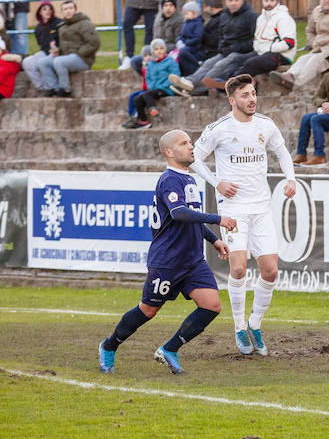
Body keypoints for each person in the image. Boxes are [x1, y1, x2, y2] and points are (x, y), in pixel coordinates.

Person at [96, 128, 237, 375]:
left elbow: (191, 217)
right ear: (169, 152)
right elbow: (179, 214)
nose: (191, 146)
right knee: (148, 310)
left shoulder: (188, 178)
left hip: (192, 259)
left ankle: (169, 349)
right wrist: (219, 218)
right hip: (168, 260)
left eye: (191, 142)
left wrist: (213, 240)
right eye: (184, 143)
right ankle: (109, 345)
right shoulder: (170, 180)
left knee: (211, 305)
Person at [190, 73, 297, 355]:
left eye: (253, 94)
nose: (252, 99)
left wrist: (291, 178)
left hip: (261, 207)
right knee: (238, 268)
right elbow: (195, 158)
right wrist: (217, 182)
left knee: (271, 271)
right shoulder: (219, 128)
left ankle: (255, 323)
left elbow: (282, 151)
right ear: (232, 100)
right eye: (245, 95)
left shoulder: (266, 124)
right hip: (233, 208)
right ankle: (239, 327)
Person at [173, 0, 258, 95]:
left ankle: (193, 90)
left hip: (242, 52)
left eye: (236, 0)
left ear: (242, 1)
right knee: (208, 63)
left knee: (220, 65)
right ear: (226, 2)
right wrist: (222, 47)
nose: (234, 3)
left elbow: (254, 39)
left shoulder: (251, 16)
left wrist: (236, 48)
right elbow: (221, 36)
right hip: (225, 51)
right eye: (230, 0)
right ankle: (190, 81)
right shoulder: (225, 16)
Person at [273, 0, 329, 92]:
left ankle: (295, 84)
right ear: (319, 0)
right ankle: (288, 75)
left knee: (315, 61)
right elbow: (309, 30)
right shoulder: (317, 11)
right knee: (303, 58)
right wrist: (314, 42)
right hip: (320, 47)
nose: (327, 1)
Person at [232, 0, 296, 80]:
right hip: (262, 52)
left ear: (277, 1)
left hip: (281, 55)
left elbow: (289, 43)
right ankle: (223, 83)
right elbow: (257, 39)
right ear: (262, 1)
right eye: (266, 0)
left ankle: (233, 83)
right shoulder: (261, 18)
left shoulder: (283, 18)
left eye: (272, 0)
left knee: (251, 63)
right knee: (237, 59)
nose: (269, 3)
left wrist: (268, 48)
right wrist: (259, 48)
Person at [292, 51, 329, 166]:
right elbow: (316, 97)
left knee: (315, 119)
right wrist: (325, 104)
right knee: (306, 117)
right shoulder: (328, 77)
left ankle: (320, 155)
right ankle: (301, 154)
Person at [41, 0, 100, 98]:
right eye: (65, 9)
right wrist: (57, 50)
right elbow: (64, 45)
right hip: (66, 57)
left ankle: (65, 89)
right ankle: (53, 88)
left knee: (59, 62)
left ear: (75, 10)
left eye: (70, 8)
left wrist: (79, 53)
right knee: (43, 62)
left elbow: (94, 43)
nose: (68, 11)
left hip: (83, 59)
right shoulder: (62, 26)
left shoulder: (85, 23)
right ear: (62, 12)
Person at [124, 39, 180, 129]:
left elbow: (175, 75)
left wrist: (163, 86)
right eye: (156, 49)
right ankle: (143, 121)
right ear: (153, 51)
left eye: (161, 48)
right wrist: (151, 86)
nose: (159, 51)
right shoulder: (151, 64)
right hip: (153, 89)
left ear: (165, 49)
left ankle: (152, 109)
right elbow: (148, 77)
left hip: (166, 89)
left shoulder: (170, 62)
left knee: (146, 94)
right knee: (137, 99)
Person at [19, 0, 61, 93]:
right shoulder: (38, 27)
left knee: (43, 62)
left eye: (50, 9)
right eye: (44, 9)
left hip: (58, 52)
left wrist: (57, 49)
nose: (48, 11)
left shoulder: (58, 23)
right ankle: (42, 87)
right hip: (44, 52)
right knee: (27, 62)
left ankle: (52, 87)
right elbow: (40, 43)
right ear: (40, 12)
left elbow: (63, 40)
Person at [173, 0, 207, 75]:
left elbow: (197, 37)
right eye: (184, 14)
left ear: (194, 13)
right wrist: (179, 40)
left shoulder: (198, 24)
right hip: (185, 45)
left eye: (187, 14)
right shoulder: (186, 23)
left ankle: (196, 65)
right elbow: (181, 35)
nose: (185, 16)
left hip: (194, 47)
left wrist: (186, 43)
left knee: (183, 53)